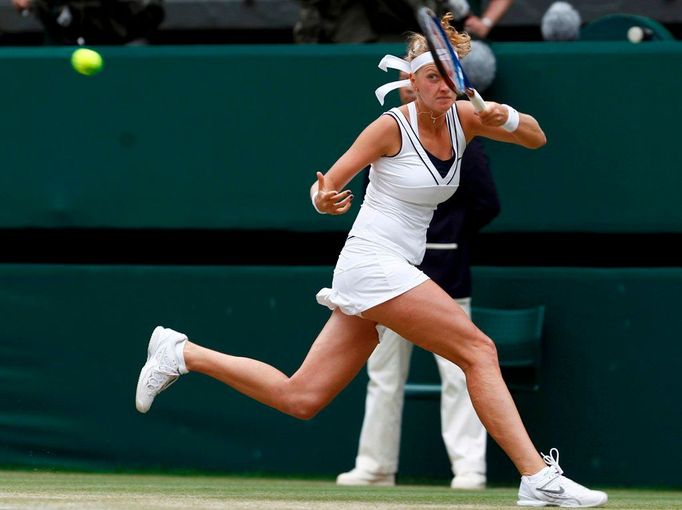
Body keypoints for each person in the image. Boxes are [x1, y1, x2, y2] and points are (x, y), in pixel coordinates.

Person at [135, 12, 608, 508]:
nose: (444, 86)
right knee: (478, 349)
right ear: (412, 83)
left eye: (449, 77)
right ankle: (536, 477)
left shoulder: (467, 118)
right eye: (432, 77)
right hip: (372, 262)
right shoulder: (388, 128)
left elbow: (536, 137)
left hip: (395, 267)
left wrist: (503, 117)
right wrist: (326, 200)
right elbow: (326, 185)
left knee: (302, 398)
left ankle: (181, 353)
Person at [336, 65, 499, 490]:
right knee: (383, 372)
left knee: (463, 368)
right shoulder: (391, 129)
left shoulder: (464, 133)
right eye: (420, 75)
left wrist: (444, 239)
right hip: (386, 274)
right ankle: (374, 466)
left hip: (445, 271)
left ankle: (469, 469)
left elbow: (486, 201)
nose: (428, 85)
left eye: (437, 75)